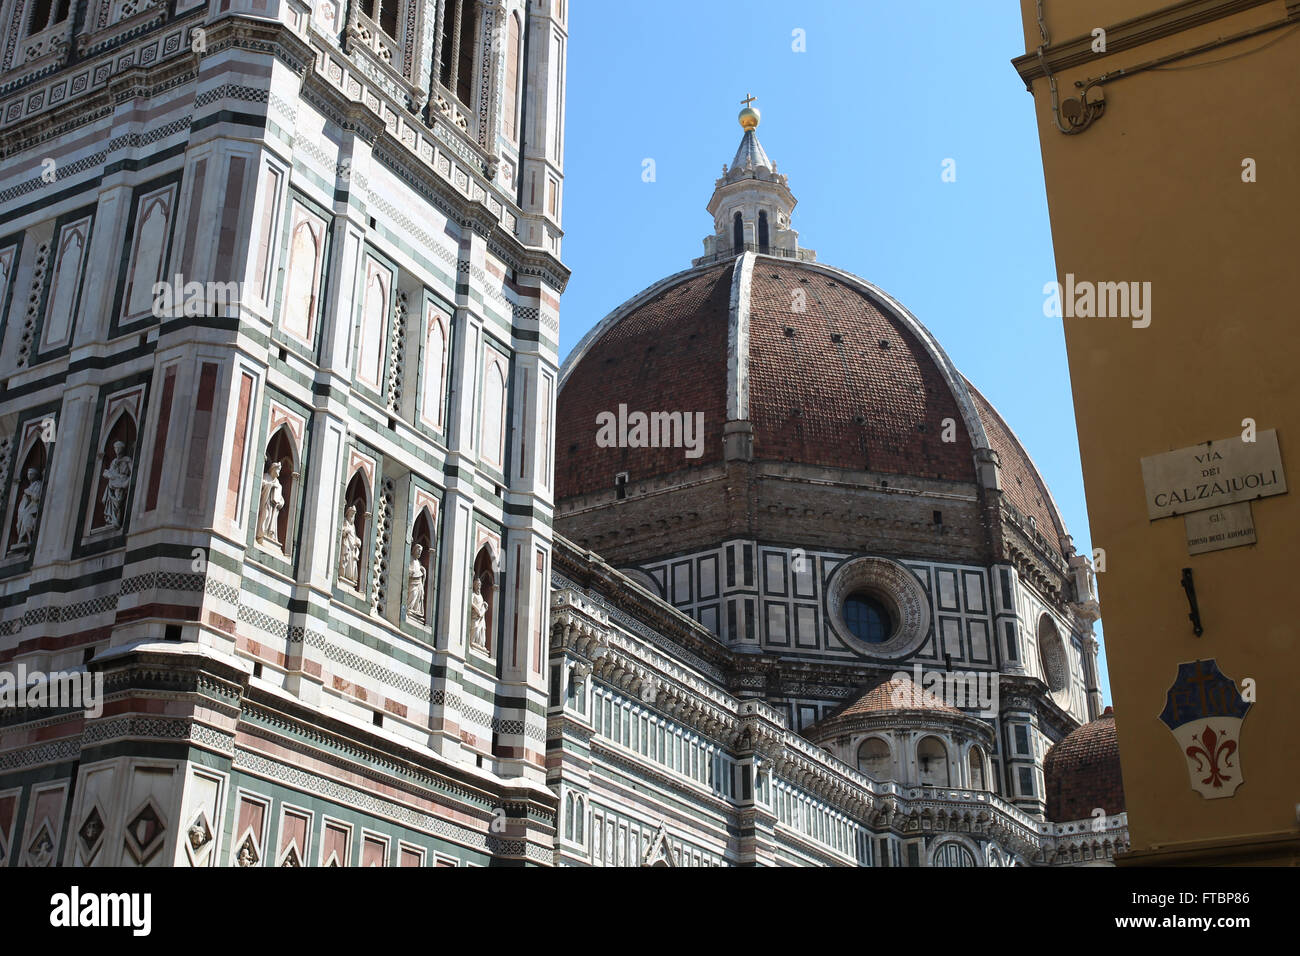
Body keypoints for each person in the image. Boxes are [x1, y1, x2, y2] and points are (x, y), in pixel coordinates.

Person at [101, 441, 132, 528]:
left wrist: (127, 481)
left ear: (122, 449)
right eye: (116, 448)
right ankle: (113, 519)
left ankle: (117, 520)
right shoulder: (114, 461)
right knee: (113, 501)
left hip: (122, 481)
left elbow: (133, 471)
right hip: (114, 483)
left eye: (119, 448)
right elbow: (110, 472)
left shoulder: (127, 460)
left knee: (118, 502)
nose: (117, 450)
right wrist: (109, 474)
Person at [256, 461, 285, 546]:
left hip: (274, 507)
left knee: (272, 519)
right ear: (273, 469)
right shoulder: (266, 476)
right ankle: (262, 533)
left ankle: (270, 535)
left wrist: (281, 502)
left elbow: (281, 498)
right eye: (278, 470)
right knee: (265, 515)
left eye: (279, 470)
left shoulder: (278, 484)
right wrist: (270, 485)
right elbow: (262, 484)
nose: (279, 472)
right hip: (266, 502)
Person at [13, 467, 42, 548]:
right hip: (23, 508)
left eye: (31, 474)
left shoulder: (38, 484)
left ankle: (26, 540)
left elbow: (36, 497)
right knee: (20, 523)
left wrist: (28, 492)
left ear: (36, 475)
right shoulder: (29, 486)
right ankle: (21, 539)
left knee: (27, 522)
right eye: (28, 474)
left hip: (31, 508)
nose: (29, 475)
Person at [338, 504, 362, 585]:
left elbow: (354, 536)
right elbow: (343, 530)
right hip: (347, 544)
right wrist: (346, 530)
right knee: (346, 558)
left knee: (352, 562)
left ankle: (349, 577)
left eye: (353, 515)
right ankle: (343, 574)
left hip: (352, 547)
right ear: (348, 514)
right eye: (351, 514)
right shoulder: (345, 522)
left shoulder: (353, 526)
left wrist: (357, 540)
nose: (352, 516)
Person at [407, 544, 426, 619]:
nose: (419, 553)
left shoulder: (418, 562)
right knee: (413, 594)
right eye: (418, 550)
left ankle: (414, 609)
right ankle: (409, 608)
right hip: (412, 582)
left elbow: (419, 569)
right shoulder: (410, 558)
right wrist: (412, 572)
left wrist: (422, 570)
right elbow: (408, 569)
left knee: (418, 596)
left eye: (421, 551)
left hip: (418, 582)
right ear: (414, 550)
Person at [470, 576, 488, 649]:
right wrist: (477, 609)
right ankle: (472, 641)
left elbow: (481, 603)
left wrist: (485, 604)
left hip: (481, 616)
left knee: (482, 629)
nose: (478, 587)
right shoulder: (473, 594)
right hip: (475, 615)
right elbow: (471, 603)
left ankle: (480, 644)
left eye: (479, 585)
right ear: (474, 585)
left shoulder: (480, 596)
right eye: (477, 585)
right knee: (475, 627)